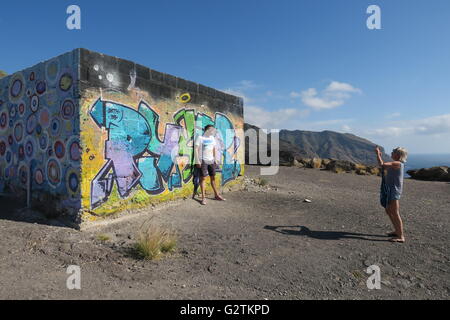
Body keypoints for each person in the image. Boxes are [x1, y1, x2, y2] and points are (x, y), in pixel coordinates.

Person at [375, 146, 408, 243]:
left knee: (395, 213)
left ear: (398, 155)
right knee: (388, 211)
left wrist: (378, 154)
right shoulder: (396, 163)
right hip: (390, 190)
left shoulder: (398, 163)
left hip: (394, 191)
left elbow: (382, 165)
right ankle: (396, 231)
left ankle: (401, 236)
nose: (391, 153)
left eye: (393, 151)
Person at [194, 125, 226, 205]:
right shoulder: (200, 138)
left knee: (213, 178)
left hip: (211, 160)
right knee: (203, 178)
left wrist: (215, 159)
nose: (213, 131)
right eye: (212, 130)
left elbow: (214, 149)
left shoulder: (212, 138)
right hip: (203, 160)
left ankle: (216, 195)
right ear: (207, 130)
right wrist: (197, 160)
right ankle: (203, 198)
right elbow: (196, 149)